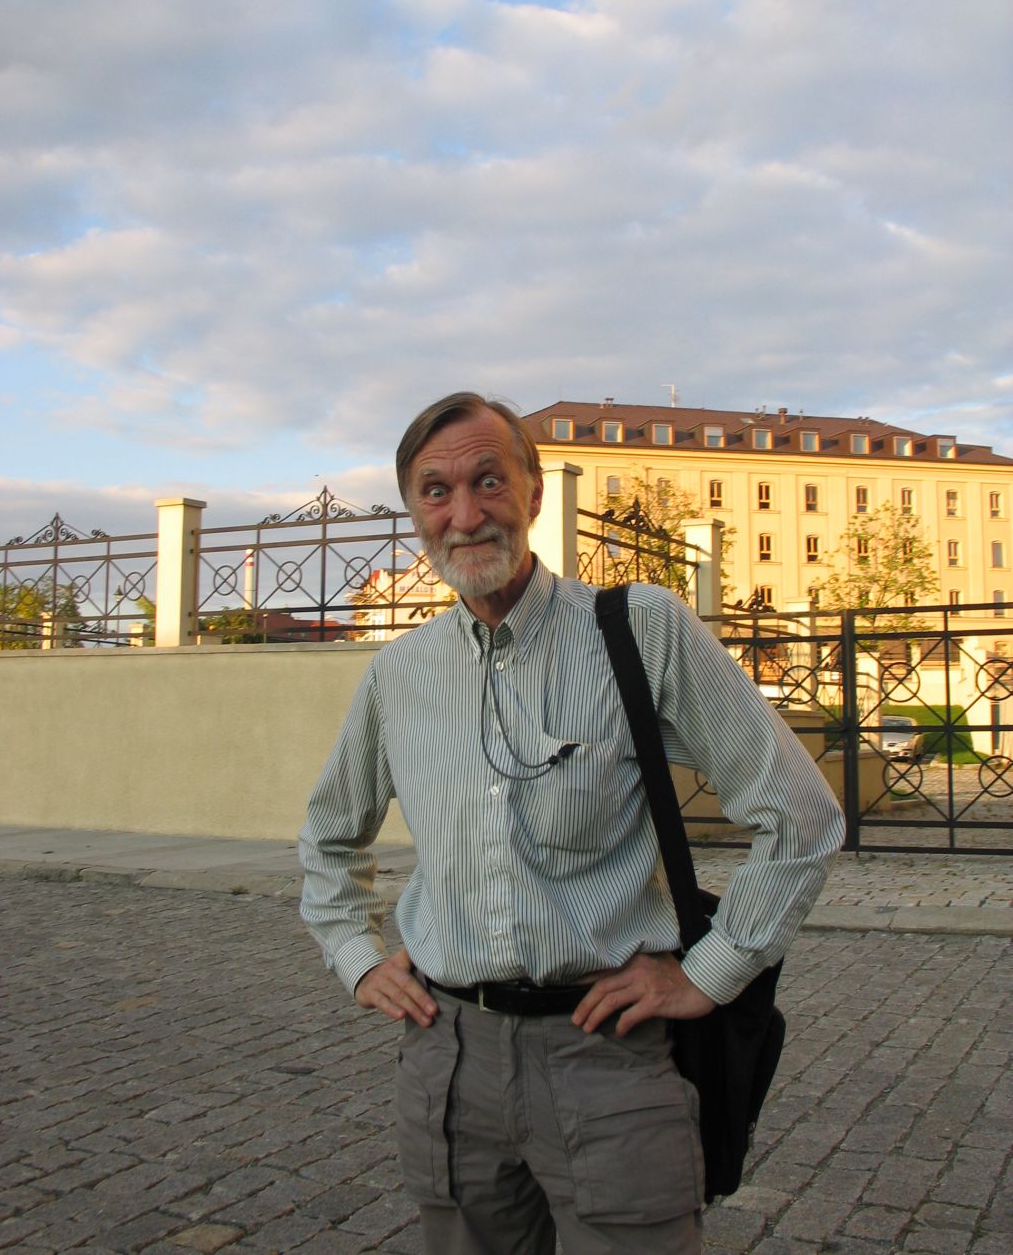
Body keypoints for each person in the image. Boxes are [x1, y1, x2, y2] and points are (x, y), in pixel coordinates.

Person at [299, 391, 845, 1254]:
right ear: (414, 514)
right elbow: (331, 834)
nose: (465, 515)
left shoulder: (638, 629)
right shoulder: (399, 674)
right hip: (448, 1061)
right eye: (436, 492)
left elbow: (801, 812)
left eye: (489, 480)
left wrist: (709, 973)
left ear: (534, 491)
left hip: (607, 1058)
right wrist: (356, 955)